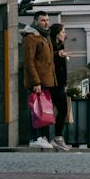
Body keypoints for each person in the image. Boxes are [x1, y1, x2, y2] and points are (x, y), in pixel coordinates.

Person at [20, 15, 59, 149]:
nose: (46, 23)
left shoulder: (44, 36)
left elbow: (44, 58)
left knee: (43, 110)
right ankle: (35, 137)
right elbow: (29, 61)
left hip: (45, 80)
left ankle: (41, 137)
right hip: (37, 82)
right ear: (36, 21)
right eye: (43, 20)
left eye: (48, 20)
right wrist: (36, 82)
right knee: (35, 110)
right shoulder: (31, 37)